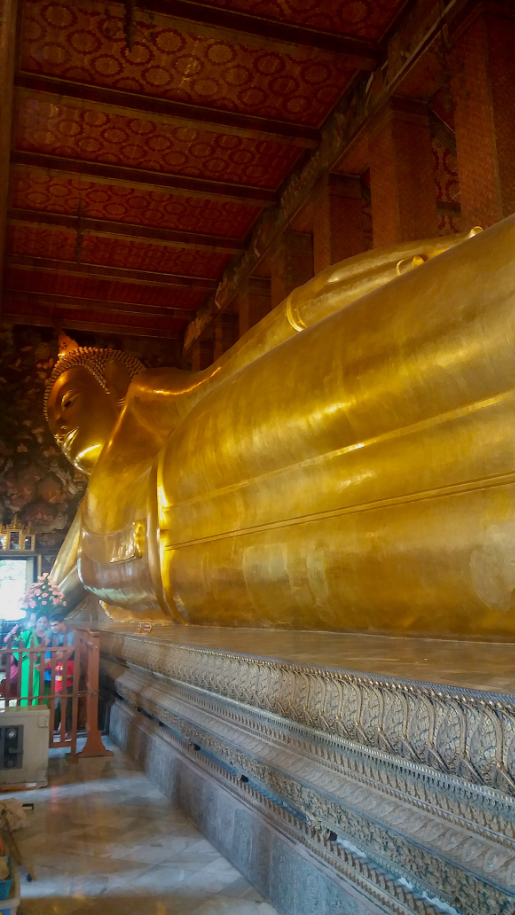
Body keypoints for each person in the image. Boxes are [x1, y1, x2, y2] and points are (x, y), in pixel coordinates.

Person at [45, 219, 515, 638]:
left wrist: (356, 286)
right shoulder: (91, 516)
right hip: (217, 574)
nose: (62, 425)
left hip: (205, 464)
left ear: (117, 383)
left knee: (363, 391)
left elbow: (236, 363)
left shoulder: (151, 404)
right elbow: (56, 592)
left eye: (68, 402)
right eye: (53, 424)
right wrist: (38, 618)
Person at [45, 615, 75, 735]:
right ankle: (57, 728)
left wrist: (51, 659)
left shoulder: (72, 633)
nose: (53, 628)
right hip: (58, 686)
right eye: (51, 625)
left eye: (56, 624)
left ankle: (68, 730)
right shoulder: (52, 631)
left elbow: (68, 654)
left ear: (62, 622)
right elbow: (44, 644)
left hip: (66, 685)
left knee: (67, 708)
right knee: (57, 707)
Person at [17, 613, 49, 706]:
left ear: (47, 623)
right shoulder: (28, 633)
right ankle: (26, 713)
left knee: (43, 689)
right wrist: (28, 655)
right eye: (40, 621)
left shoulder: (50, 634)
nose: (42, 624)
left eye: (44, 622)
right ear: (36, 622)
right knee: (28, 689)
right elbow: (15, 646)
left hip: (45, 666)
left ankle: (41, 714)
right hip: (29, 666)